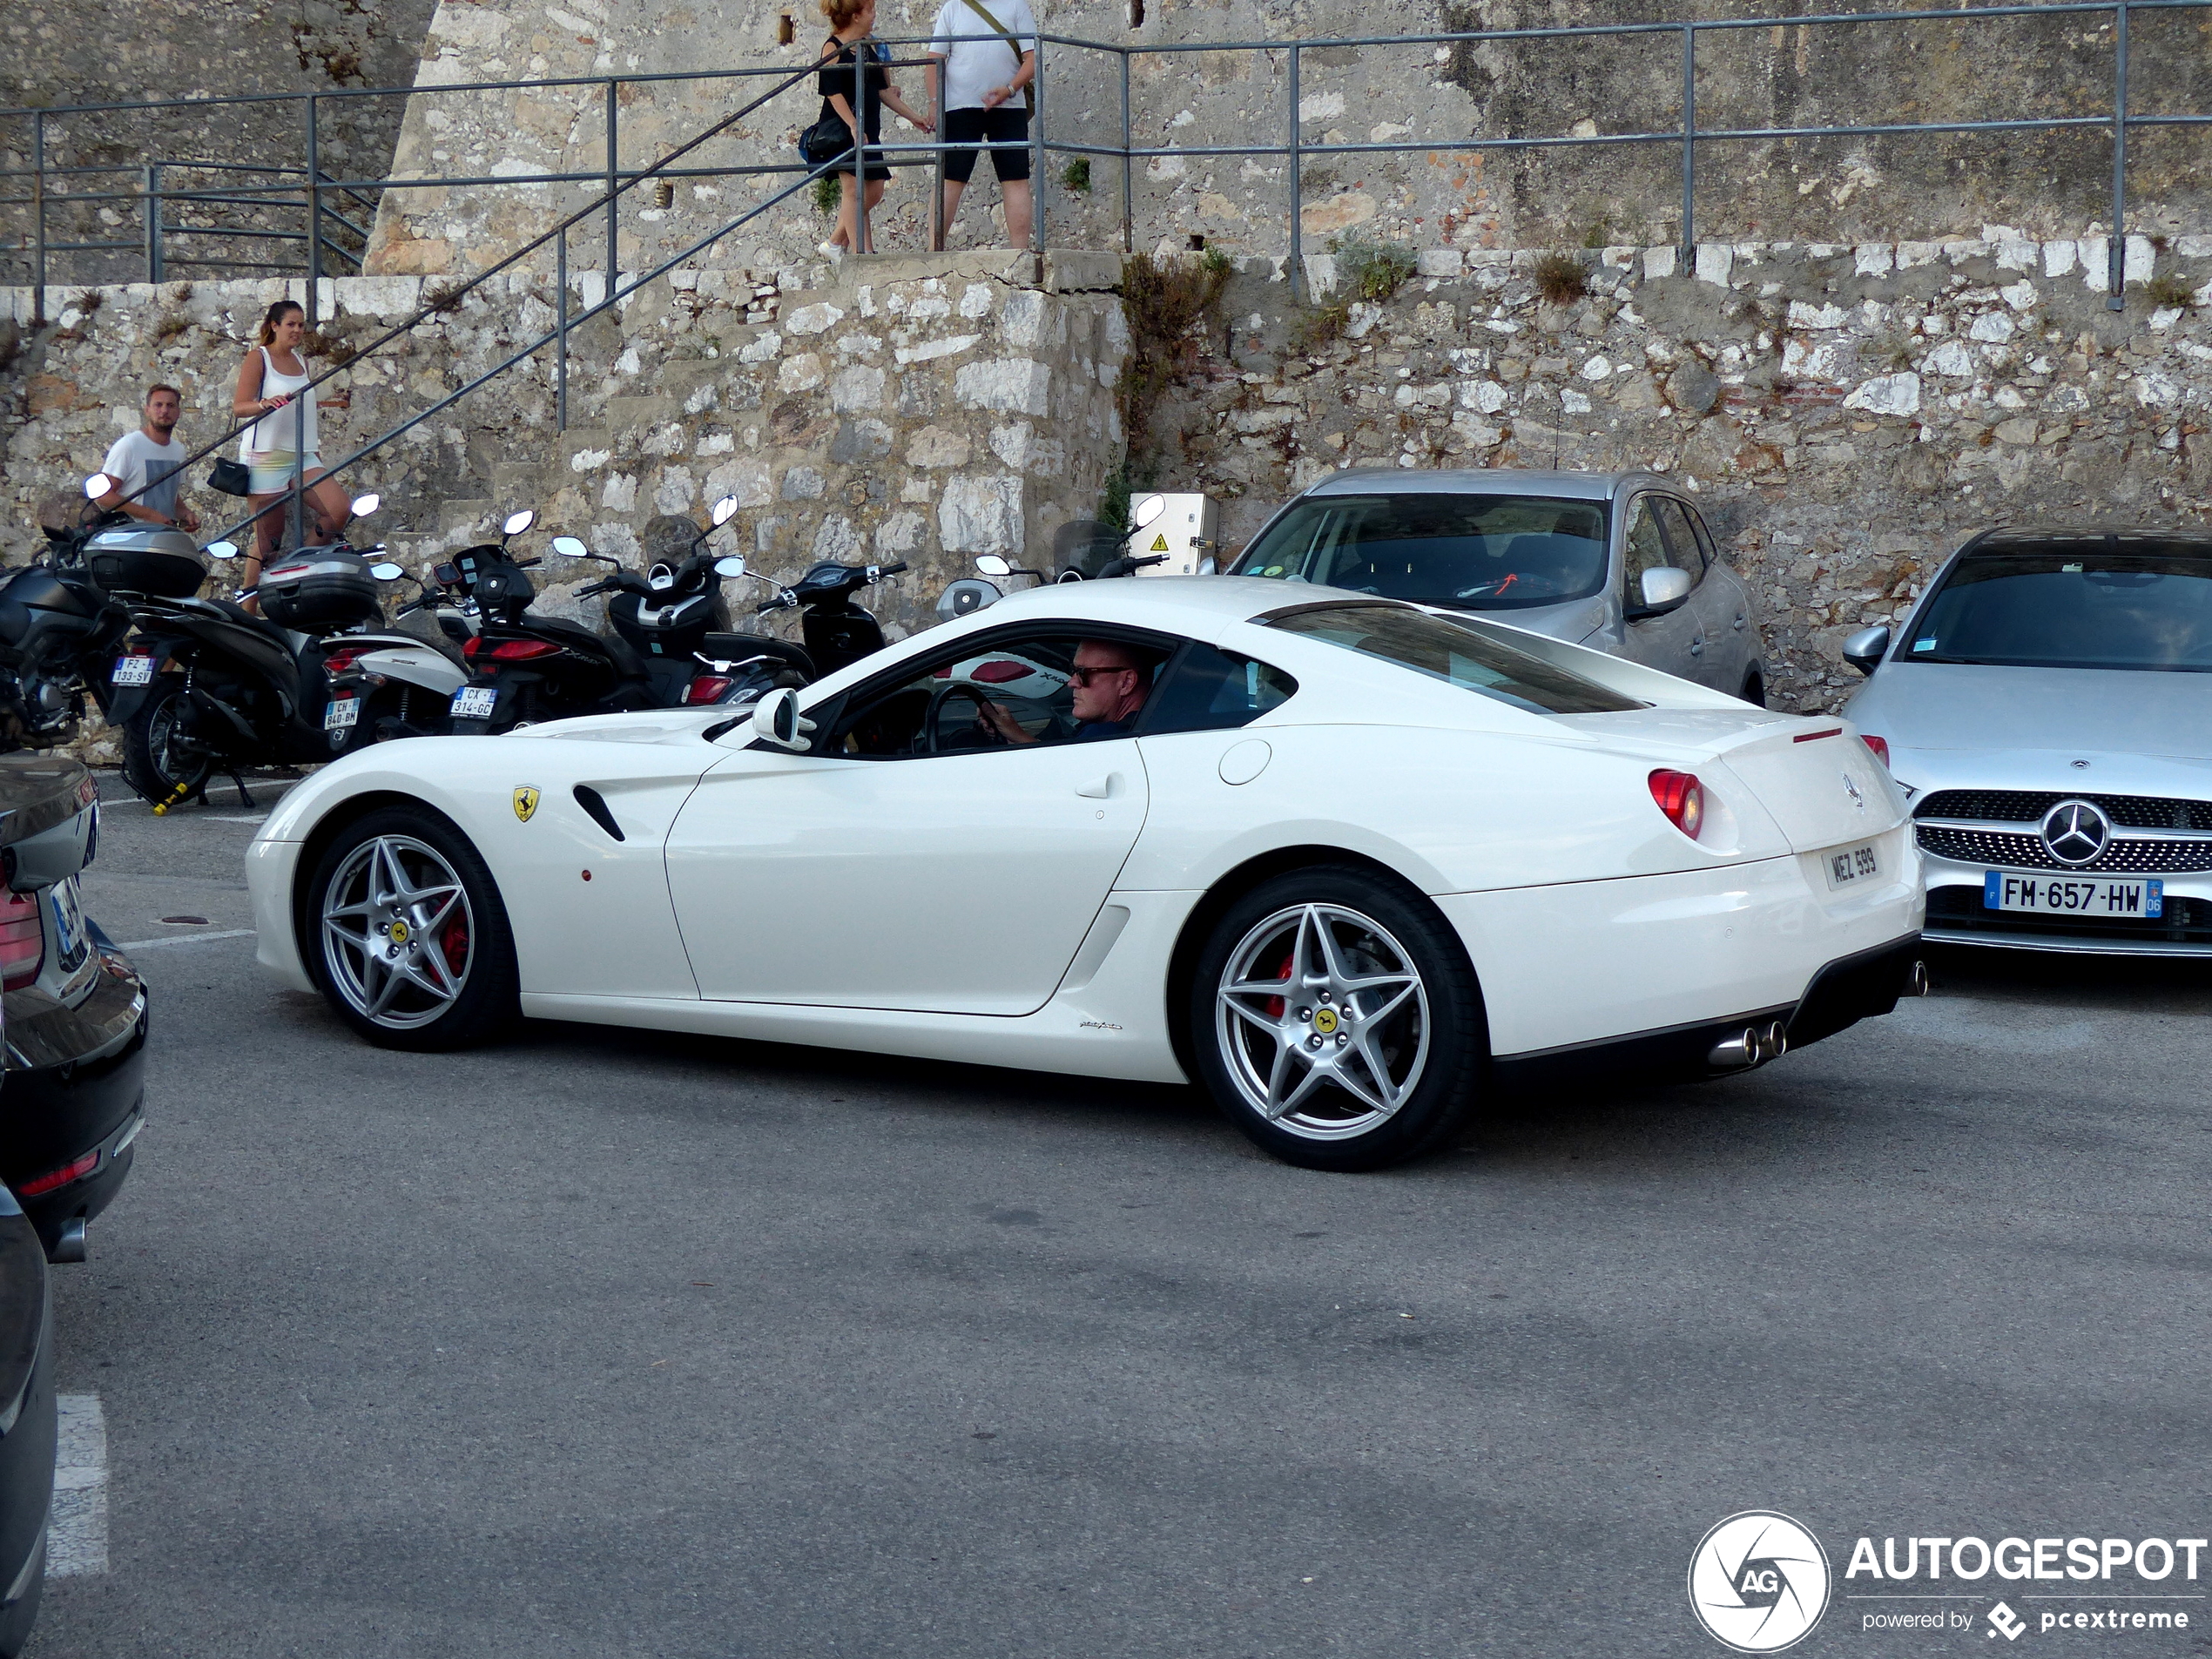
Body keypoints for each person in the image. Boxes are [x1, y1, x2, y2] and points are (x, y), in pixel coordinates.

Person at [231, 299, 353, 601]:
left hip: (302, 454)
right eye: (291, 324)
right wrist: (263, 405)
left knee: (338, 510)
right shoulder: (258, 358)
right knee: (267, 541)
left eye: (301, 325)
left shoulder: (302, 361)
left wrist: (316, 451)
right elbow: (239, 406)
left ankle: (296, 567)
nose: (297, 330)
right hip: (266, 457)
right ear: (274, 326)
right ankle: (249, 611)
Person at [817, 0, 934, 257]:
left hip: (869, 127)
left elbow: (882, 90)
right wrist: (853, 124)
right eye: (870, 10)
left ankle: (839, 244)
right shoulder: (833, 47)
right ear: (856, 16)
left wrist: (914, 116)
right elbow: (832, 92)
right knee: (854, 190)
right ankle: (859, 252)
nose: (874, 15)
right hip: (844, 129)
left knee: (874, 187)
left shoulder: (867, 48)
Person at [927, 0, 1036, 248]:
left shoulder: (1015, 6)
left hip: (1007, 106)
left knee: (1015, 178)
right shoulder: (953, 7)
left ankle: (1019, 253)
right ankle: (934, 252)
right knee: (951, 179)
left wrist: (1008, 90)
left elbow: (1032, 58)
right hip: (961, 107)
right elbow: (935, 60)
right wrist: (935, 102)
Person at [979, 639, 1151, 743]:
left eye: (1084, 673)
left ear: (1126, 682)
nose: (1072, 682)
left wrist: (1016, 735)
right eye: (1073, 670)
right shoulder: (1147, 728)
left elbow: (1056, 772)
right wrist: (1012, 735)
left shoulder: (1106, 739)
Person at [97, 384, 199, 533]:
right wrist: (148, 514)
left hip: (164, 538)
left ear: (178, 412)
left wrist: (185, 514)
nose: (164, 411)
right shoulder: (129, 446)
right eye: (158, 405)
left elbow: (170, 493)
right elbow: (103, 495)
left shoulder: (179, 451)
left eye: (170, 405)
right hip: (131, 537)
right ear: (147, 410)